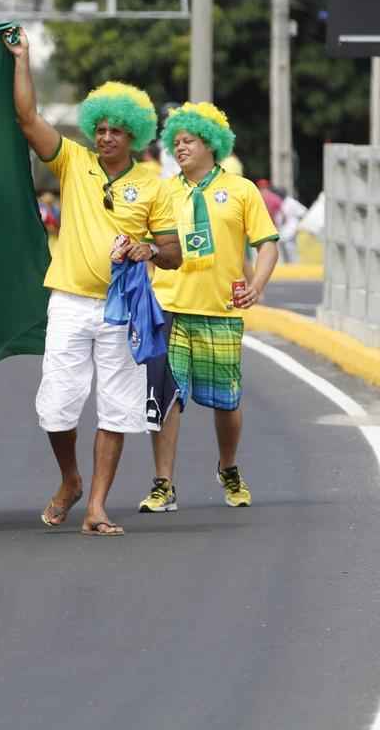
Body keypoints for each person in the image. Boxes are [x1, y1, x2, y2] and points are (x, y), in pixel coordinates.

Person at [4, 26, 182, 537]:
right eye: (99, 128)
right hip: (68, 302)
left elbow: (171, 253)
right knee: (56, 406)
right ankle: (70, 480)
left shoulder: (153, 185)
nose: (105, 137)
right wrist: (22, 59)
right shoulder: (71, 160)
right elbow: (26, 118)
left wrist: (147, 248)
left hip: (124, 309)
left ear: (134, 136)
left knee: (118, 407)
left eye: (115, 131)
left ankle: (97, 506)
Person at [138, 102, 279, 512]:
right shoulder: (163, 191)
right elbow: (147, 241)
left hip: (220, 309)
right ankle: (163, 484)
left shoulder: (241, 190)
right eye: (176, 142)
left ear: (211, 145)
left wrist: (257, 284)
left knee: (226, 402)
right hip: (168, 306)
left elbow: (267, 243)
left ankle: (229, 467)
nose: (180, 148)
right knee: (165, 397)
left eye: (189, 141)